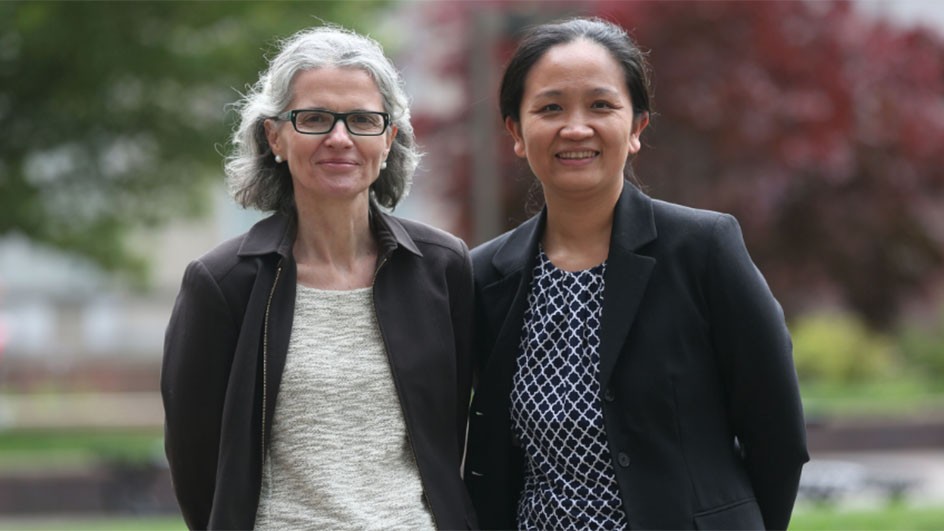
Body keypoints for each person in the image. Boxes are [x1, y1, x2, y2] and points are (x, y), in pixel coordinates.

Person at [464, 17, 809, 530]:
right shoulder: (486, 275)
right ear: (516, 130)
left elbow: (777, 431)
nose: (576, 128)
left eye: (601, 106)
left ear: (636, 127)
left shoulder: (702, 248)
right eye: (550, 107)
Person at [161, 25, 477, 530]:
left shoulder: (441, 268)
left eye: (361, 120)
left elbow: (452, 434)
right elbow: (195, 464)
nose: (339, 138)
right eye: (314, 118)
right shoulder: (221, 284)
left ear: (389, 137)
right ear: (276, 136)